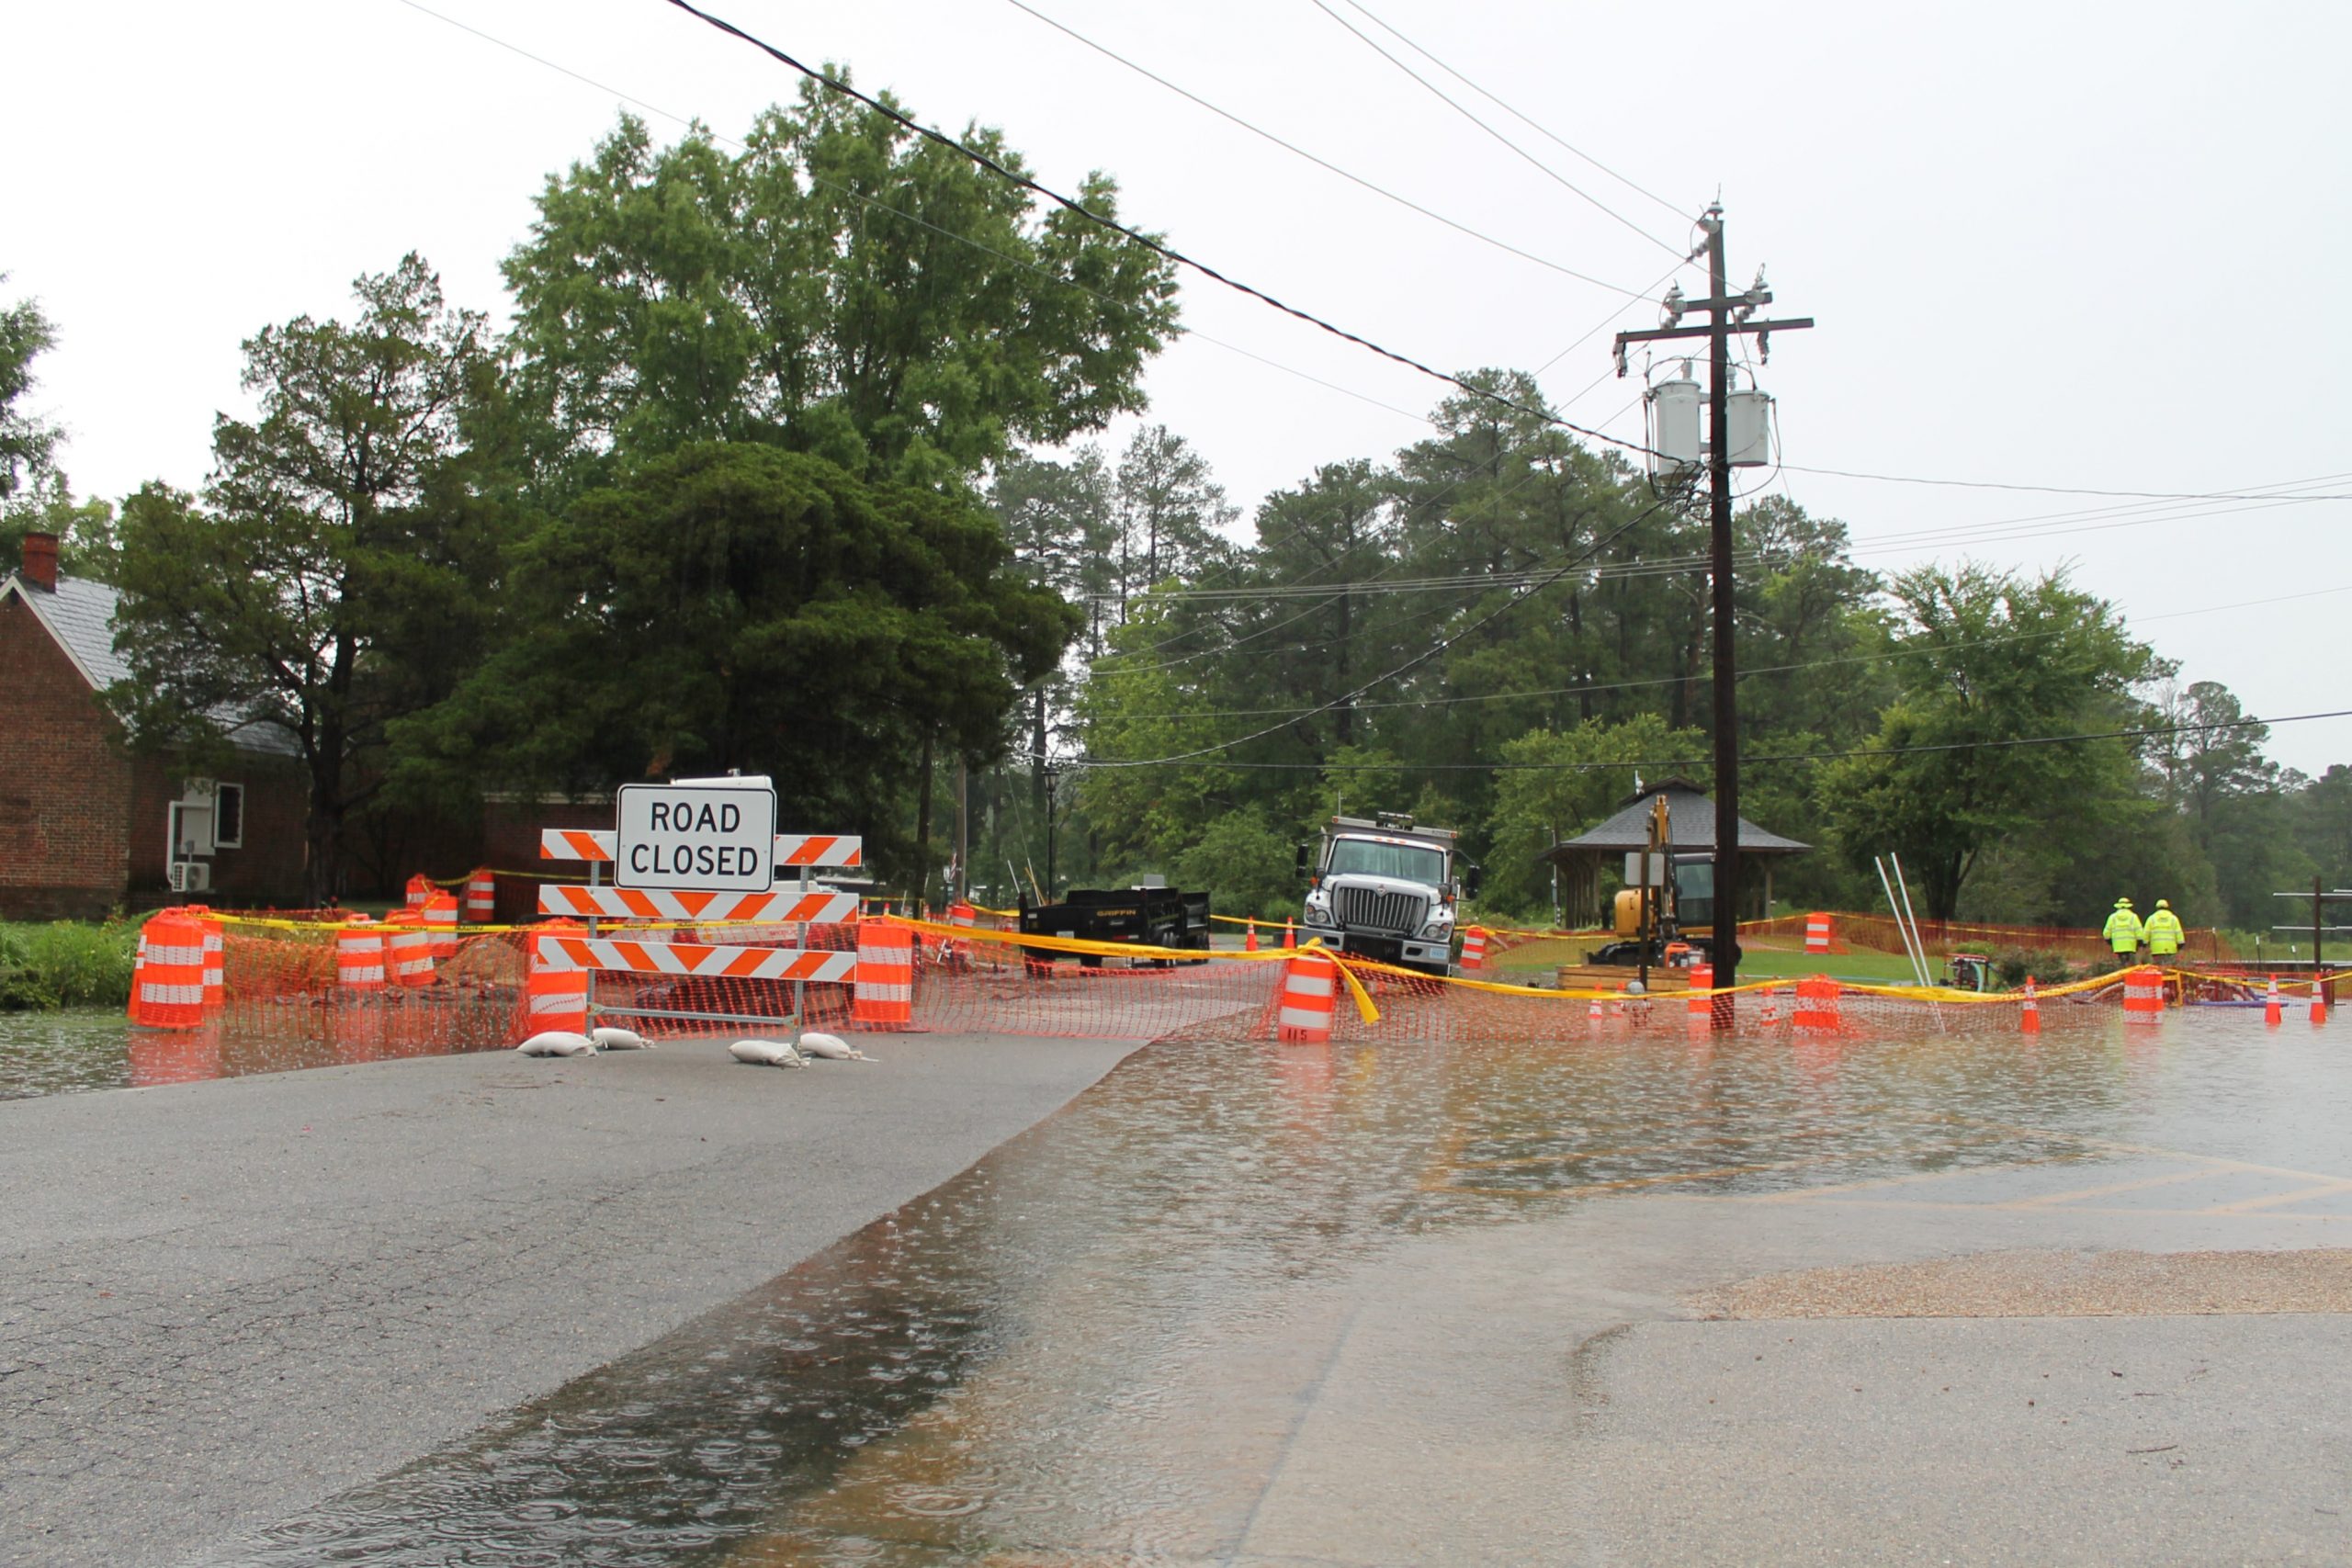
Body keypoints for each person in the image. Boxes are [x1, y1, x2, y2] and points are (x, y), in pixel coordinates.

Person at [2102, 897, 2143, 964]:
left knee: (2121, 963)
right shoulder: (2133, 917)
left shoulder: (2112, 917)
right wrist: (2140, 942)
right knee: (2130, 964)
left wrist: (2109, 941)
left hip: (2118, 946)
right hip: (2130, 946)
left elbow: (2106, 933)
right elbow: (2139, 931)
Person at [2143, 898, 2185, 963]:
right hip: (2171, 950)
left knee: (2158, 970)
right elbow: (2179, 935)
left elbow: (2145, 935)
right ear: (2167, 908)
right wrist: (2180, 947)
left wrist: (2145, 946)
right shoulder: (2174, 919)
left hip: (2156, 950)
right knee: (2169, 970)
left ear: (2157, 908)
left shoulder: (2151, 919)